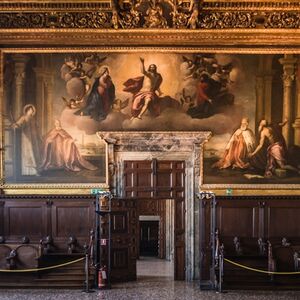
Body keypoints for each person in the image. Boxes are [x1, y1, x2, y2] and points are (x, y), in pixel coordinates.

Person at [11, 104, 42, 176]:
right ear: (28, 110)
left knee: (34, 152)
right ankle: (27, 171)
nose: (32, 111)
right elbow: (17, 124)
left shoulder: (33, 118)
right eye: (31, 110)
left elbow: (37, 128)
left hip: (33, 138)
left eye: (33, 110)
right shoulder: (23, 117)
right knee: (28, 152)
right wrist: (15, 125)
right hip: (26, 138)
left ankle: (34, 171)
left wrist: (39, 136)